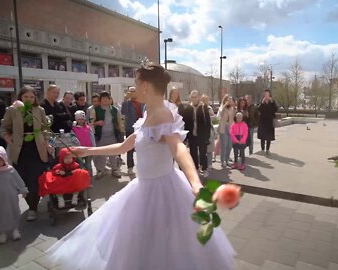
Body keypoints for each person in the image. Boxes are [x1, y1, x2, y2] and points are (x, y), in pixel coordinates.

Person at [46, 62, 235, 270]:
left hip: (162, 190)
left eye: (136, 83)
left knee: (161, 249)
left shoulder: (162, 114)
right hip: (143, 187)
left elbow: (179, 149)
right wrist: (88, 150)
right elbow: (124, 146)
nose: (134, 88)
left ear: (145, 85)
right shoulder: (147, 114)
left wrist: (195, 183)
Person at [0, 86, 50, 221]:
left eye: (32, 97)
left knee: (36, 179)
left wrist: (46, 142)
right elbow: (4, 127)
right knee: (24, 181)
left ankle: (33, 206)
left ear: (35, 98)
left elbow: (45, 128)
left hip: (37, 149)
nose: (29, 99)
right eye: (26, 96)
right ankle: (31, 205)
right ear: (20, 97)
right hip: (20, 150)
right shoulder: (12, 110)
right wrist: (6, 136)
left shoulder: (39, 110)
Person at [91, 91, 124, 179]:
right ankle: (100, 171)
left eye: (107, 98)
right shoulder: (95, 110)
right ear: (100, 100)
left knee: (113, 154)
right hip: (100, 136)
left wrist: (121, 133)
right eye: (103, 98)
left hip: (112, 135)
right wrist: (97, 123)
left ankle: (115, 170)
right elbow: (90, 123)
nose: (105, 100)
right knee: (101, 154)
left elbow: (119, 122)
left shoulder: (114, 110)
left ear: (110, 100)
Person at [183, 90, 212, 177]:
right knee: (193, 153)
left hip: (202, 135)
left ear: (198, 97)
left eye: (195, 97)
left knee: (203, 153)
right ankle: (196, 168)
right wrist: (186, 138)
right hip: (192, 135)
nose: (194, 99)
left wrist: (207, 136)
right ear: (190, 98)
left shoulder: (203, 107)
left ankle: (204, 168)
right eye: (192, 97)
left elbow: (208, 123)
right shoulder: (188, 108)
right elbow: (186, 123)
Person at [121, 87, 144, 176]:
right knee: (129, 148)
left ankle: (142, 166)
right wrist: (125, 99)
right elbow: (124, 112)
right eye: (131, 92)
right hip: (130, 128)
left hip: (142, 128)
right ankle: (130, 167)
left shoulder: (142, 102)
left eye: (134, 91)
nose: (133, 93)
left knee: (142, 148)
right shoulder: (127, 103)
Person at [71, 110, 95, 177]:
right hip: (79, 150)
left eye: (82, 119)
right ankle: (81, 179)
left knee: (88, 165)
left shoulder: (88, 127)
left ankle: (89, 178)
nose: (81, 120)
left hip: (88, 149)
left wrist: (94, 147)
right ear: (76, 119)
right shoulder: (73, 129)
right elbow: (72, 139)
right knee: (80, 165)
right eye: (79, 119)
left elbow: (92, 137)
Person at [257, 89, 278, 154]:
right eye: (265, 94)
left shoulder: (272, 101)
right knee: (262, 136)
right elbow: (258, 109)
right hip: (262, 121)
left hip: (269, 121)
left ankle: (267, 149)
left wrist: (272, 102)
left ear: (269, 95)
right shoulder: (262, 101)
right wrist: (262, 103)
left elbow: (276, 109)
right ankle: (262, 149)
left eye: (267, 94)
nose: (266, 95)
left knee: (269, 136)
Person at [217, 95, 235, 167]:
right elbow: (219, 114)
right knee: (224, 145)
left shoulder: (232, 108)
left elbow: (233, 118)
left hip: (230, 128)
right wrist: (225, 105)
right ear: (224, 100)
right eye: (227, 100)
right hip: (223, 128)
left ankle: (227, 159)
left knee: (230, 145)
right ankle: (223, 161)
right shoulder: (222, 107)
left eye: (230, 100)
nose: (228, 101)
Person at [201, 94, 216, 169]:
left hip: (209, 129)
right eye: (203, 99)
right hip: (201, 130)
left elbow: (214, 117)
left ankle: (210, 164)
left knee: (210, 148)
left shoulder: (209, 108)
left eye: (206, 100)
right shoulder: (199, 108)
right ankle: (203, 164)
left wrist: (208, 117)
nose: (204, 101)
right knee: (202, 149)